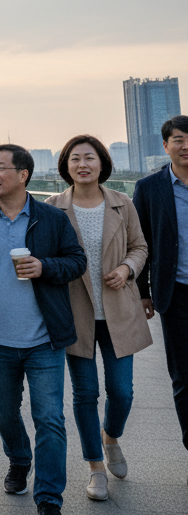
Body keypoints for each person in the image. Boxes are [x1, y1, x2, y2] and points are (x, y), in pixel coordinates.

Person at [0, 144, 87, 515]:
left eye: (1, 168)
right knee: (4, 413)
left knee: (49, 417)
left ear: (23, 175)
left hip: (44, 339)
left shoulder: (51, 218)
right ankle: (19, 458)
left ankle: (49, 496)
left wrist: (44, 267)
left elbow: (76, 261)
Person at [43, 135, 150, 500]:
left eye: (90, 158)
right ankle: (95, 468)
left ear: (102, 164)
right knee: (85, 394)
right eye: (75, 159)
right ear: (66, 166)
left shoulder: (123, 204)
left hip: (119, 309)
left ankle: (111, 437)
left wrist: (127, 268)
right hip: (76, 312)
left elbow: (140, 246)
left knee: (122, 391)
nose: (83, 165)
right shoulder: (53, 207)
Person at [133, 114, 188, 478]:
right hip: (176, 293)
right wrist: (143, 292)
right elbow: (140, 242)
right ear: (165, 145)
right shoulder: (149, 187)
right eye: (179, 139)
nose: (186, 146)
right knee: (184, 375)